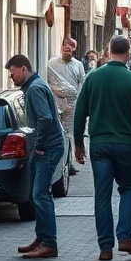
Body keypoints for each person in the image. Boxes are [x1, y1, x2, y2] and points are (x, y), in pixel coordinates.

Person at [73, 35, 131, 260]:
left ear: (108, 52)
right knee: (128, 188)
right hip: (126, 144)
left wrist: (78, 143)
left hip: (98, 143)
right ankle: (125, 236)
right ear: (128, 53)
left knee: (102, 194)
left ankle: (105, 247)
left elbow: (80, 113)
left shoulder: (93, 77)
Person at [5, 54, 65, 259]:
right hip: (47, 147)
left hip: (48, 148)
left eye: (12, 74)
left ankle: (49, 243)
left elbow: (46, 118)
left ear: (23, 69)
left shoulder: (35, 89)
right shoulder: (35, 86)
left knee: (40, 194)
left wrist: (39, 146)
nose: (11, 78)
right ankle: (42, 238)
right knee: (39, 194)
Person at [47, 38, 85, 174]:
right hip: (56, 102)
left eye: (72, 47)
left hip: (72, 103)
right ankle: (57, 164)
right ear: (61, 47)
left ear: (75, 49)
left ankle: (69, 164)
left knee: (70, 134)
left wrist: (80, 102)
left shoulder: (78, 65)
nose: (68, 49)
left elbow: (82, 83)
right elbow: (47, 83)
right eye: (66, 47)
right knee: (57, 133)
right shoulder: (51, 63)